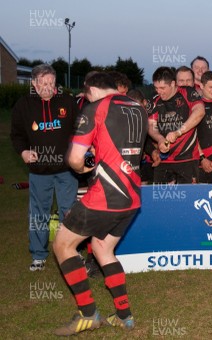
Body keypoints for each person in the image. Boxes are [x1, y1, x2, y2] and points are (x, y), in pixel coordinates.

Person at [52, 72, 147, 335]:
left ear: (91, 90)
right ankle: (124, 316)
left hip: (104, 197)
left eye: (86, 96)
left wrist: (85, 166)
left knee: (62, 245)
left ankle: (88, 313)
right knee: (103, 249)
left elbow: (74, 159)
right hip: (131, 197)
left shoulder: (95, 108)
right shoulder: (137, 107)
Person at [10, 64, 79, 271]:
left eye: (51, 82)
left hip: (66, 169)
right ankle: (38, 255)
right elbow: (17, 135)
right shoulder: (23, 105)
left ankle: (73, 252)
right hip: (39, 171)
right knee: (39, 214)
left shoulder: (67, 101)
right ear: (34, 84)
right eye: (43, 83)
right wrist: (23, 152)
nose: (48, 87)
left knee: (70, 212)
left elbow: (81, 129)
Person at [148, 67, 205, 184]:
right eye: (156, 88)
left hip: (187, 159)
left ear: (173, 84)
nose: (159, 91)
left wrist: (178, 132)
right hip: (164, 160)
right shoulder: (154, 100)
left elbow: (200, 112)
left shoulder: (187, 92)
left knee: (188, 199)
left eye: (162, 88)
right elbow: (151, 126)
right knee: (161, 199)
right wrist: (160, 139)